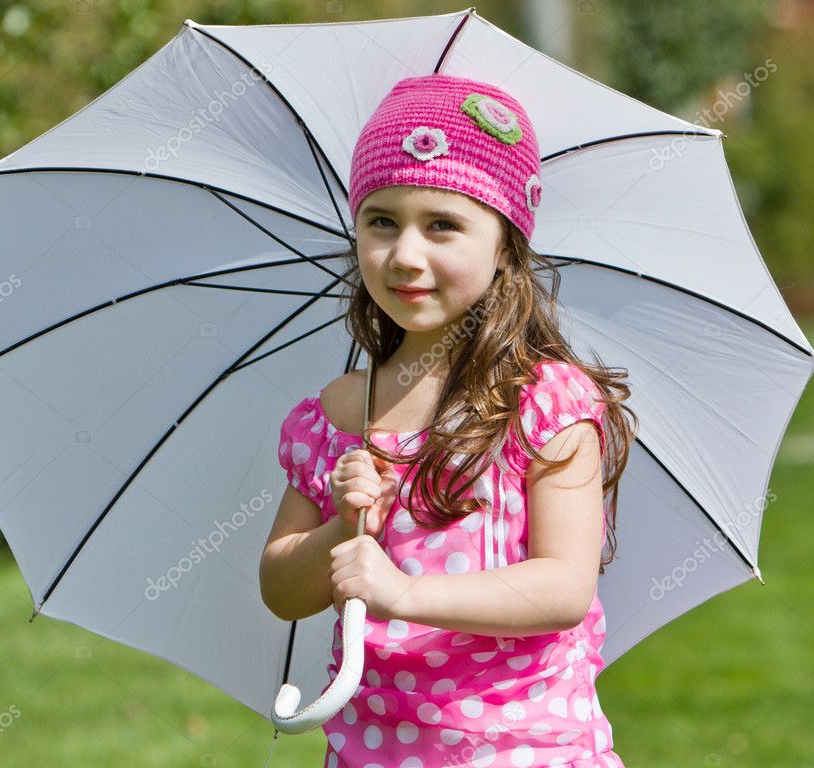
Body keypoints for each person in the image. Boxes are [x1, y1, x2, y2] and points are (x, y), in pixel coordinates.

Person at [260, 72, 636, 768]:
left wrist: (403, 592)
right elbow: (282, 588)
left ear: (504, 248)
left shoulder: (544, 404)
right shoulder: (338, 414)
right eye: (381, 221)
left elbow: (563, 587)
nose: (406, 255)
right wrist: (343, 527)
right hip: (373, 750)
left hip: (529, 752)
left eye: (443, 225)